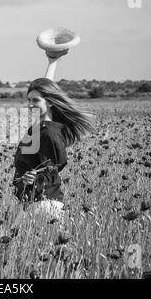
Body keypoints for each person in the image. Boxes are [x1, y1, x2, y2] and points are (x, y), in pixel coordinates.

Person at [12, 49, 95, 221]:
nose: (30, 104)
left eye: (35, 100)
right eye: (28, 100)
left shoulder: (49, 133)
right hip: (33, 203)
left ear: (49, 102)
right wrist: (52, 63)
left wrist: (33, 177)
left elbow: (52, 169)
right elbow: (45, 90)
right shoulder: (40, 127)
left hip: (43, 205)